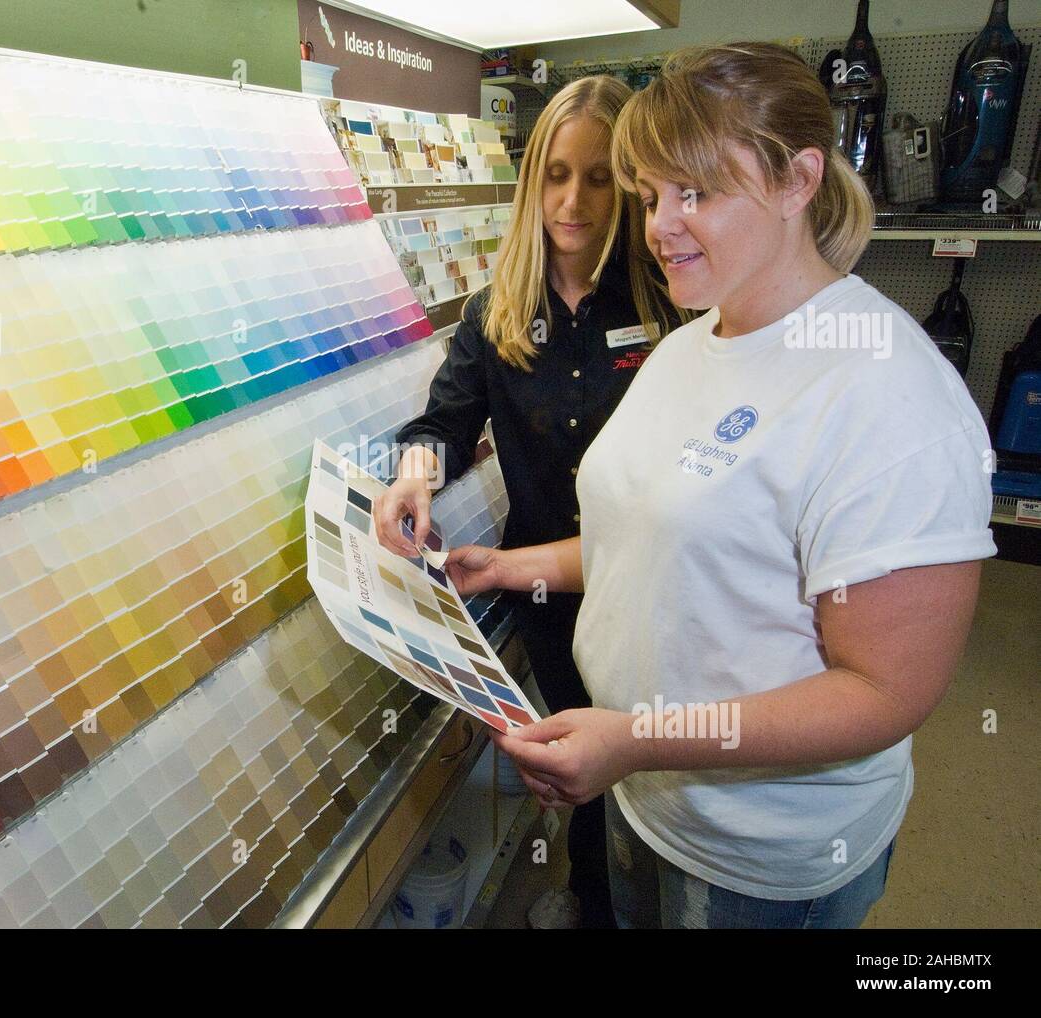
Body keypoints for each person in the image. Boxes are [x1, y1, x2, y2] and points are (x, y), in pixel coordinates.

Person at [443, 43, 997, 929]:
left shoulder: (887, 392)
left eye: (695, 193)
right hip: (650, 801)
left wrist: (633, 739)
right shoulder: (692, 342)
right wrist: (507, 569)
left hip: (760, 853)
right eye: (654, 194)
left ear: (799, 179)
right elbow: (662, 540)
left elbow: (884, 692)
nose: (660, 223)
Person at [372, 75, 679, 929]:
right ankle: (591, 899)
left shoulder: (670, 301)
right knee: (580, 769)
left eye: (599, 176)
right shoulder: (498, 310)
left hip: (653, 590)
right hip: (547, 594)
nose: (573, 200)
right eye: (555, 174)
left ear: (630, 184)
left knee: (652, 767)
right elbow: (441, 422)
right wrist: (414, 477)